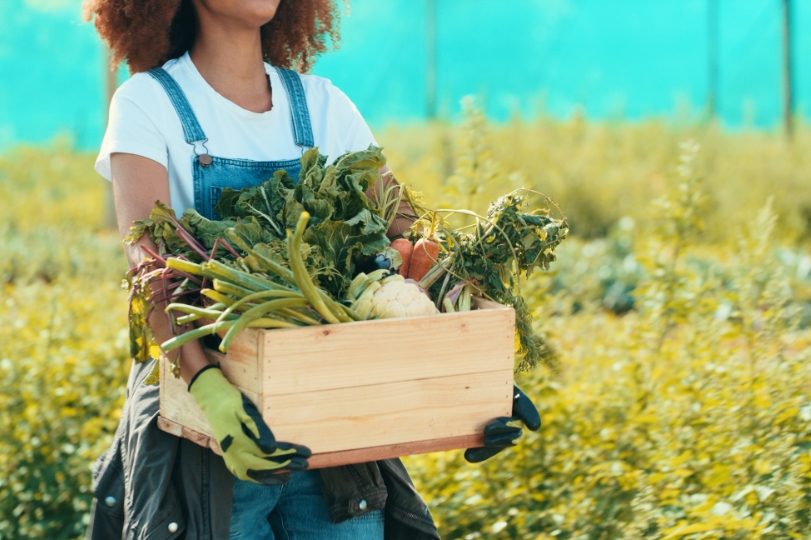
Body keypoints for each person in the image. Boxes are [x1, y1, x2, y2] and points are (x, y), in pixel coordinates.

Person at [82, 0, 541, 539]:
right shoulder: (149, 102)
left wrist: (465, 375)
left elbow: (411, 244)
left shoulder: (324, 106)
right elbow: (150, 268)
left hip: (330, 425)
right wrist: (210, 389)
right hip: (210, 430)